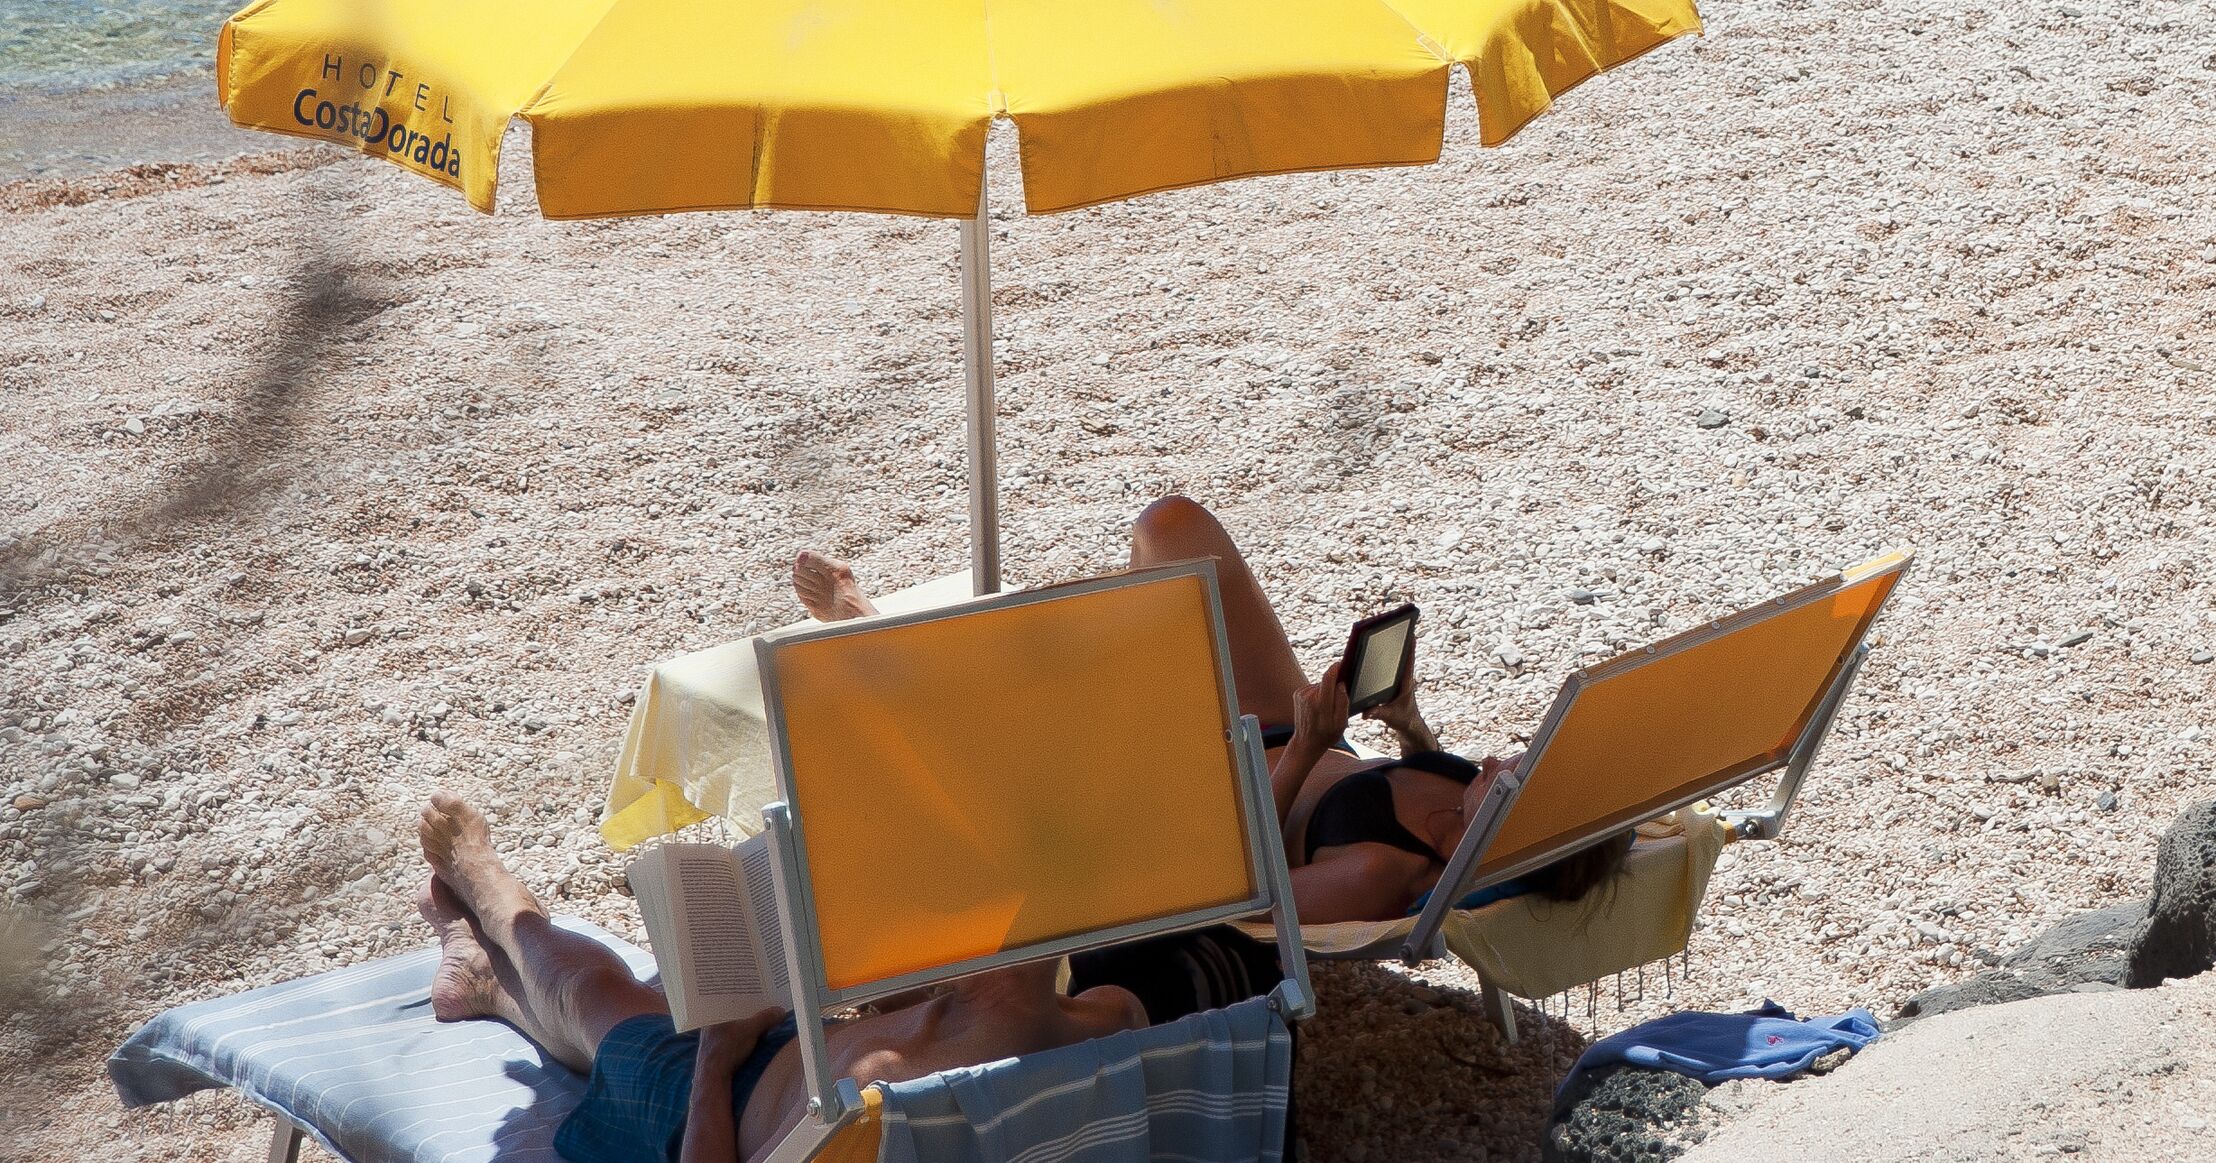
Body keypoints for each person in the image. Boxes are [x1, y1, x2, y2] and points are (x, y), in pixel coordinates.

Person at [794, 494, 1630, 1019]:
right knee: (1172, 525)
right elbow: (1446, 778)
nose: (1495, 758)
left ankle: (868, 624)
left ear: (1489, 836)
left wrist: (1303, 755)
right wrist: (1407, 724)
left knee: (1026, 727)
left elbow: (1238, 892)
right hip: (1282, 734)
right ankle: (1128, 656)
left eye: (1507, 772)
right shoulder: (1463, 810)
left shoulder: (1382, 872)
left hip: (1210, 805)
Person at [413, 794, 1144, 1163]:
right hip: (808, 1053)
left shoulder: (953, 1069)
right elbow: (929, 1013)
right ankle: (489, 983)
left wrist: (715, 1060)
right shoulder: (1111, 1021)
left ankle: (496, 900)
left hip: (723, 1094)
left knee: (612, 1005)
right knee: (672, 989)